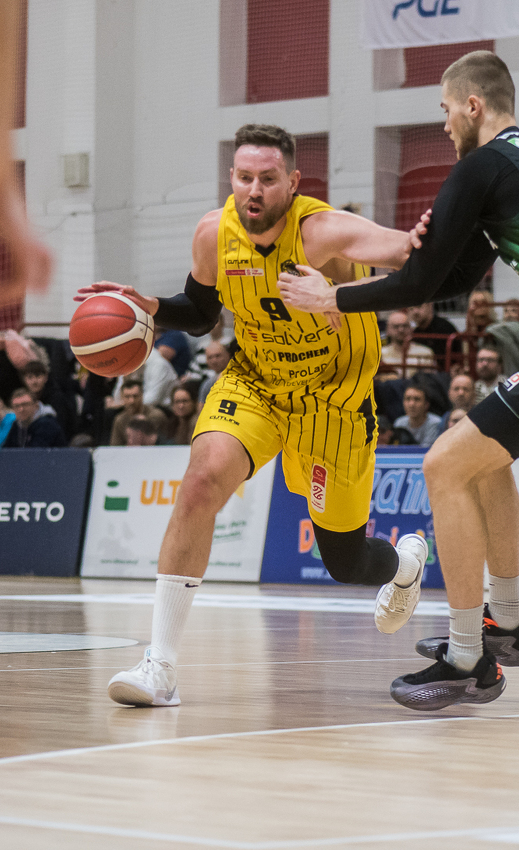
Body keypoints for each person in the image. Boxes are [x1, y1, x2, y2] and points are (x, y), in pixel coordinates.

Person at [279, 50, 519, 709]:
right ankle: (506, 624)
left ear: (473, 105)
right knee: (481, 460)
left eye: (444, 110)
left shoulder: (482, 164)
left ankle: (467, 660)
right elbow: (455, 275)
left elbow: (423, 281)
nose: (442, 125)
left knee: (443, 466)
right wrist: (409, 257)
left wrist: (333, 298)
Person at [79, 123, 431, 708]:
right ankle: (159, 666)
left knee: (345, 562)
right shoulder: (213, 234)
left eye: (268, 178)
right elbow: (201, 313)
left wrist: (363, 279)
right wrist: (151, 308)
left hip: (333, 399)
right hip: (257, 382)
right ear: (232, 178)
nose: (254, 190)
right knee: (199, 483)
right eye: (244, 177)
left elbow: (410, 255)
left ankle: (405, 564)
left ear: (293, 182)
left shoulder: (323, 232)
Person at [20, 359, 77, 440]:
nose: (34, 381)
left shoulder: (57, 398)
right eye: (30, 377)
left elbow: (62, 426)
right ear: (24, 380)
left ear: (46, 377)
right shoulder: (22, 400)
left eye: (38, 376)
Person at [108, 378, 168, 447]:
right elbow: (115, 447)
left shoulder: (155, 416)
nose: (131, 401)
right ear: (122, 398)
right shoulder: (120, 420)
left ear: (141, 396)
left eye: (135, 396)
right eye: (127, 397)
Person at [2, 389, 67, 448]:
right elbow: (5, 451)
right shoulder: (17, 424)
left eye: (25, 404)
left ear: (35, 406)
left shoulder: (47, 424)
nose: (21, 409)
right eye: (16, 406)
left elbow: (35, 453)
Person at [380, 310, 436, 377]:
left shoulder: (425, 352)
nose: (401, 330)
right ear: (387, 330)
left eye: (405, 326)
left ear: (411, 329)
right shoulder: (381, 354)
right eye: (396, 326)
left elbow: (430, 379)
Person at [196, 341, 231, 405]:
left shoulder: (238, 376)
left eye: (218, 356)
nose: (214, 361)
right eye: (210, 357)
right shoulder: (207, 384)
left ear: (227, 355)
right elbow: (201, 408)